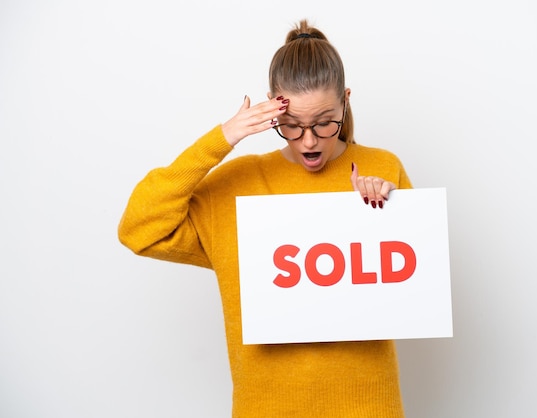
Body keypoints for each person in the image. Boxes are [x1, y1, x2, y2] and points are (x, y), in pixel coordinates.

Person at [118, 19, 412, 417]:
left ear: (345, 100)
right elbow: (139, 228)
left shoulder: (383, 167)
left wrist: (386, 213)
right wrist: (222, 138)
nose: (309, 140)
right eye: (291, 125)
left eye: (325, 121)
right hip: (266, 407)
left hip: (370, 406)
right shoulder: (238, 185)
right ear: (273, 106)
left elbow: (413, 287)